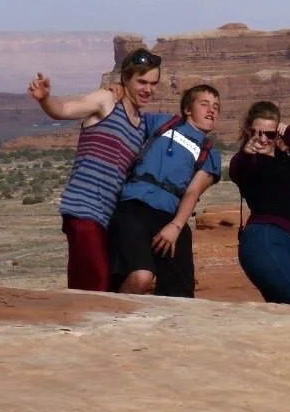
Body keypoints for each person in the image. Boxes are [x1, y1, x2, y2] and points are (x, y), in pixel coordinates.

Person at [28, 48, 162, 291]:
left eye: (153, 83)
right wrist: (46, 99)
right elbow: (65, 110)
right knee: (94, 285)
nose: (148, 89)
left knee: (104, 285)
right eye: (141, 82)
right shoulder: (107, 101)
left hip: (110, 219)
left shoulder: (142, 126)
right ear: (125, 79)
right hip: (84, 211)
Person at [110, 84, 223, 297]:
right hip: (133, 207)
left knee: (180, 294)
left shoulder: (210, 154)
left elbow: (193, 192)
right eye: (205, 104)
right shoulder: (162, 124)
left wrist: (176, 226)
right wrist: (114, 93)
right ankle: (113, 320)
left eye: (216, 107)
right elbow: (126, 120)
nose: (212, 110)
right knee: (141, 276)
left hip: (171, 217)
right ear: (188, 109)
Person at [229, 101, 290, 309]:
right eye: (257, 133)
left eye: (270, 134)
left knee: (287, 313)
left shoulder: (287, 160)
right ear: (248, 131)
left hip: (284, 245)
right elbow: (236, 170)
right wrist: (246, 153)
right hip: (265, 240)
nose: (263, 139)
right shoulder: (248, 161)